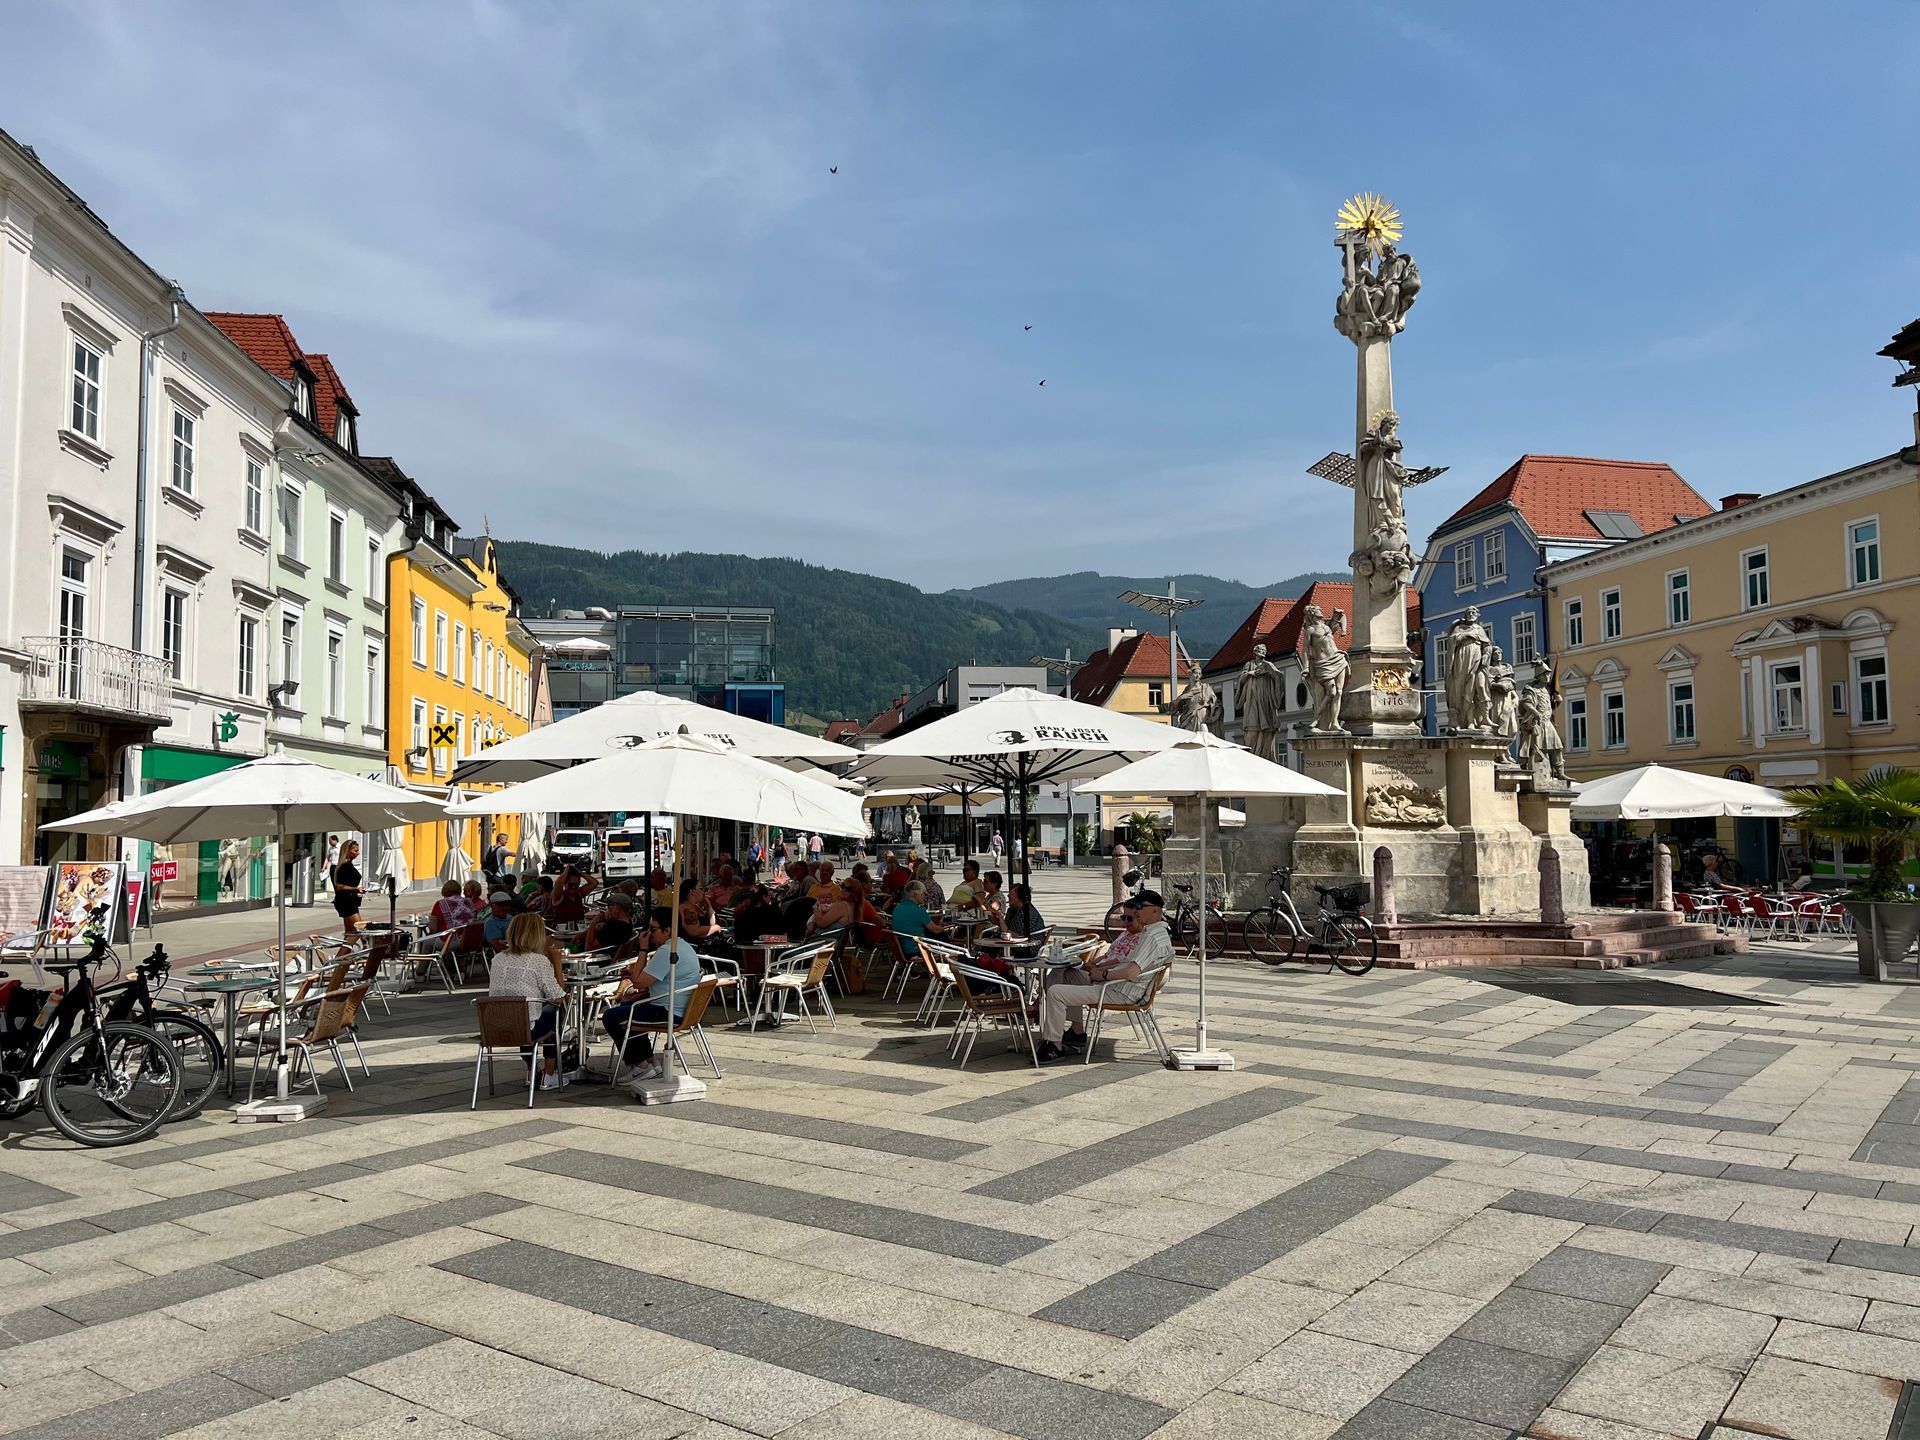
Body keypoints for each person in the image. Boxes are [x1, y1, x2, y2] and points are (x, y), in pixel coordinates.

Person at [1036, 890, 1173, 1063]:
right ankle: (1077, 1032)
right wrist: (1100, 971)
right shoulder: (1154, 933)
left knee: (1056, 992)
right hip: (1119, 986)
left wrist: (1103, 975)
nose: (1136, 911)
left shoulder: (1152, 937)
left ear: (1155, 910)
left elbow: (1130, 973)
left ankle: (1054, 1046)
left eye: (1140, 906)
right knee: (1069, 975)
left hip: (1120, 991)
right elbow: (1127, 964)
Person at [601, 907, 703, 1082]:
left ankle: (640, 1066)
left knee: (610, 1016)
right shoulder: (683, 946)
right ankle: (649, 1060)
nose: (649, 934)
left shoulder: (667, 951)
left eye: (653, 929)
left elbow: (638, 982)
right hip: (681, 1009)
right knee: (628, 1008)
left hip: (669, 1012)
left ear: (667, 930)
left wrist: (643, 949)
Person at [489, 912, 570, 1089]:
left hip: (496, 1027)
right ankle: (549, 1073)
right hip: (525, 1028)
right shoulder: (538, 961)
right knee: (555, 1011)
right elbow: (558, 996)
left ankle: (531, 1070)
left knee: (522, 1012)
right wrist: (557, 963)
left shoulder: (497, 959)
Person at [890, 881, 948, 959]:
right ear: (916, 894)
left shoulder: (897, 908)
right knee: (942, 935)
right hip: (916, 949)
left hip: (900, 949)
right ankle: (948, 959)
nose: (925, 896)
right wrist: (947, 928)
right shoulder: (919, 911)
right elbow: (935, 930)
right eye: (923, 893)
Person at [584, 892, 638, 956]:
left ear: (618, 908)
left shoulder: (614, 928)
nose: (607, 910)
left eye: (609, 906)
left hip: (600, 958)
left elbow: (589, 948)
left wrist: (593, 922)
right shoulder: (627, 924)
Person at [331, 839, 366, 935]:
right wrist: (356, 889)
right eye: (355, 851)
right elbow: (339, 886)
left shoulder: (348, 864)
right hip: (346, 902)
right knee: (360, 931)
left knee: (351, 933)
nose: (358, 853)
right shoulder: (344, 866)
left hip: (349, 901)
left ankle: (346, 945)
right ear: (347, 851)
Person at [1003, 882, 1047, 958]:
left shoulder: (1024, 913)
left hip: (1026, 949)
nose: (1008, 895)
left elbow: (1010, 935)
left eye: (1011, 894)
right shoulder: (1021, 908)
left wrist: (999, 918)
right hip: (1025, 945)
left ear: (1020, 897)